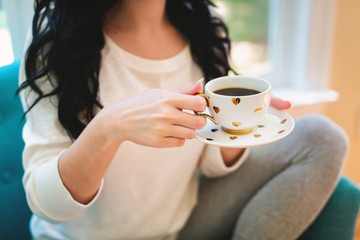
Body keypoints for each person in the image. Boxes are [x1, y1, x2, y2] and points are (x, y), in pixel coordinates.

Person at [18, 0, 348, 239]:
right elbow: (46, 205)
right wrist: (109, 127)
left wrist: (241, 123)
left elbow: (211, 162)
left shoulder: (205, 27)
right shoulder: (58, 42)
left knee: (324, 136)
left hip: (179, 227)